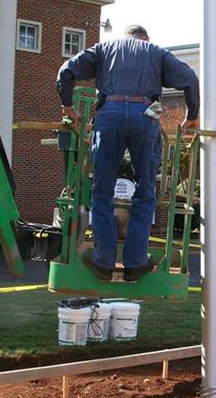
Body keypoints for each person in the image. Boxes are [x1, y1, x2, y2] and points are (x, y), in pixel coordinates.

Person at [56, 24, 199, 282]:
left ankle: (104, 261)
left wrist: (68, 107)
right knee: (145, 190)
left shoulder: (104, 49)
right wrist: (192, 116)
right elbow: (190, 79)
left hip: (109, 113)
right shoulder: (156, 52)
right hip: (146, 114)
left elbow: (66, 72)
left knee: (102, 190)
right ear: (146, 38)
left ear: (125, 37)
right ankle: (134, 263)